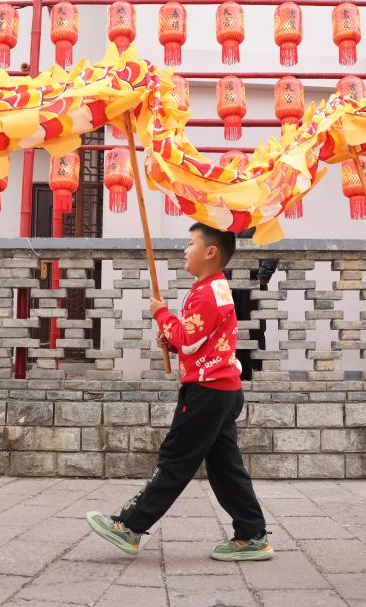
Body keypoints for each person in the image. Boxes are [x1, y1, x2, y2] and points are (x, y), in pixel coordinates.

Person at [85, 223, 272, 561]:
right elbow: (198, 340)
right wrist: (172, 340)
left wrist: (162, 316)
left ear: (210, 252)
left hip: (207, 391)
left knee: (175, 460)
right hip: (221, 389)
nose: (185, 250)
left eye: (190, 243)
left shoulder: (208, 293)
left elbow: (188, 338)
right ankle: (252, 533)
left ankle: (130, 526)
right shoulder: (213, 288)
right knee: (225, 468)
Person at [228, 228, 279, 381]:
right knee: (233, 329)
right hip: (229, 283)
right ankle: (239, 372)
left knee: (255, 328)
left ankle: (256, 372)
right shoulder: (228, 223)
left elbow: (273, 242)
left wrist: (264, 275)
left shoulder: (260, 219)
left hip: (252, 282)